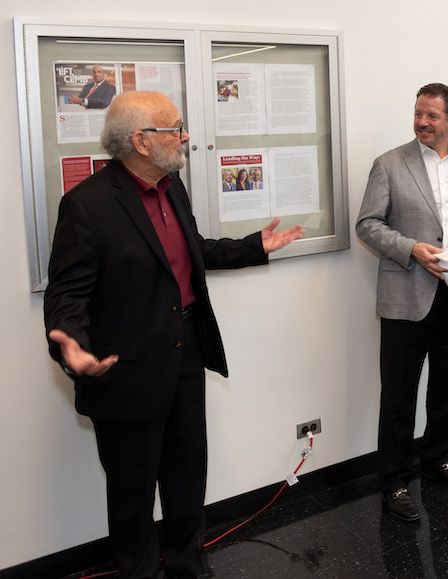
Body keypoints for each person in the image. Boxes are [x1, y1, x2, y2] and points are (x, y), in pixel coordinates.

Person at [44, 91, 305, 578]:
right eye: (175, 127)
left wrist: (253, 246)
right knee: (133, 492)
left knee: (187, 478)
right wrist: (72, 348)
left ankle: (190, 566)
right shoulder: (87, 206)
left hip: (185, 356)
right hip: (126, 372)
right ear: (141, 141)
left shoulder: (172, 186)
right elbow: (68, 294)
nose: (185, 136)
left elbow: (191, 251)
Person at [356, 83, 448, 522]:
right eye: (418, 113)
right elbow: (367, 224)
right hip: (407, 295)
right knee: (398, 395)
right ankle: (395, 480)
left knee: (447, 386)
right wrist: (411, 249)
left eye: (432, 116)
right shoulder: (389, 164)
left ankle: (439, 459)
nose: (422, 122)